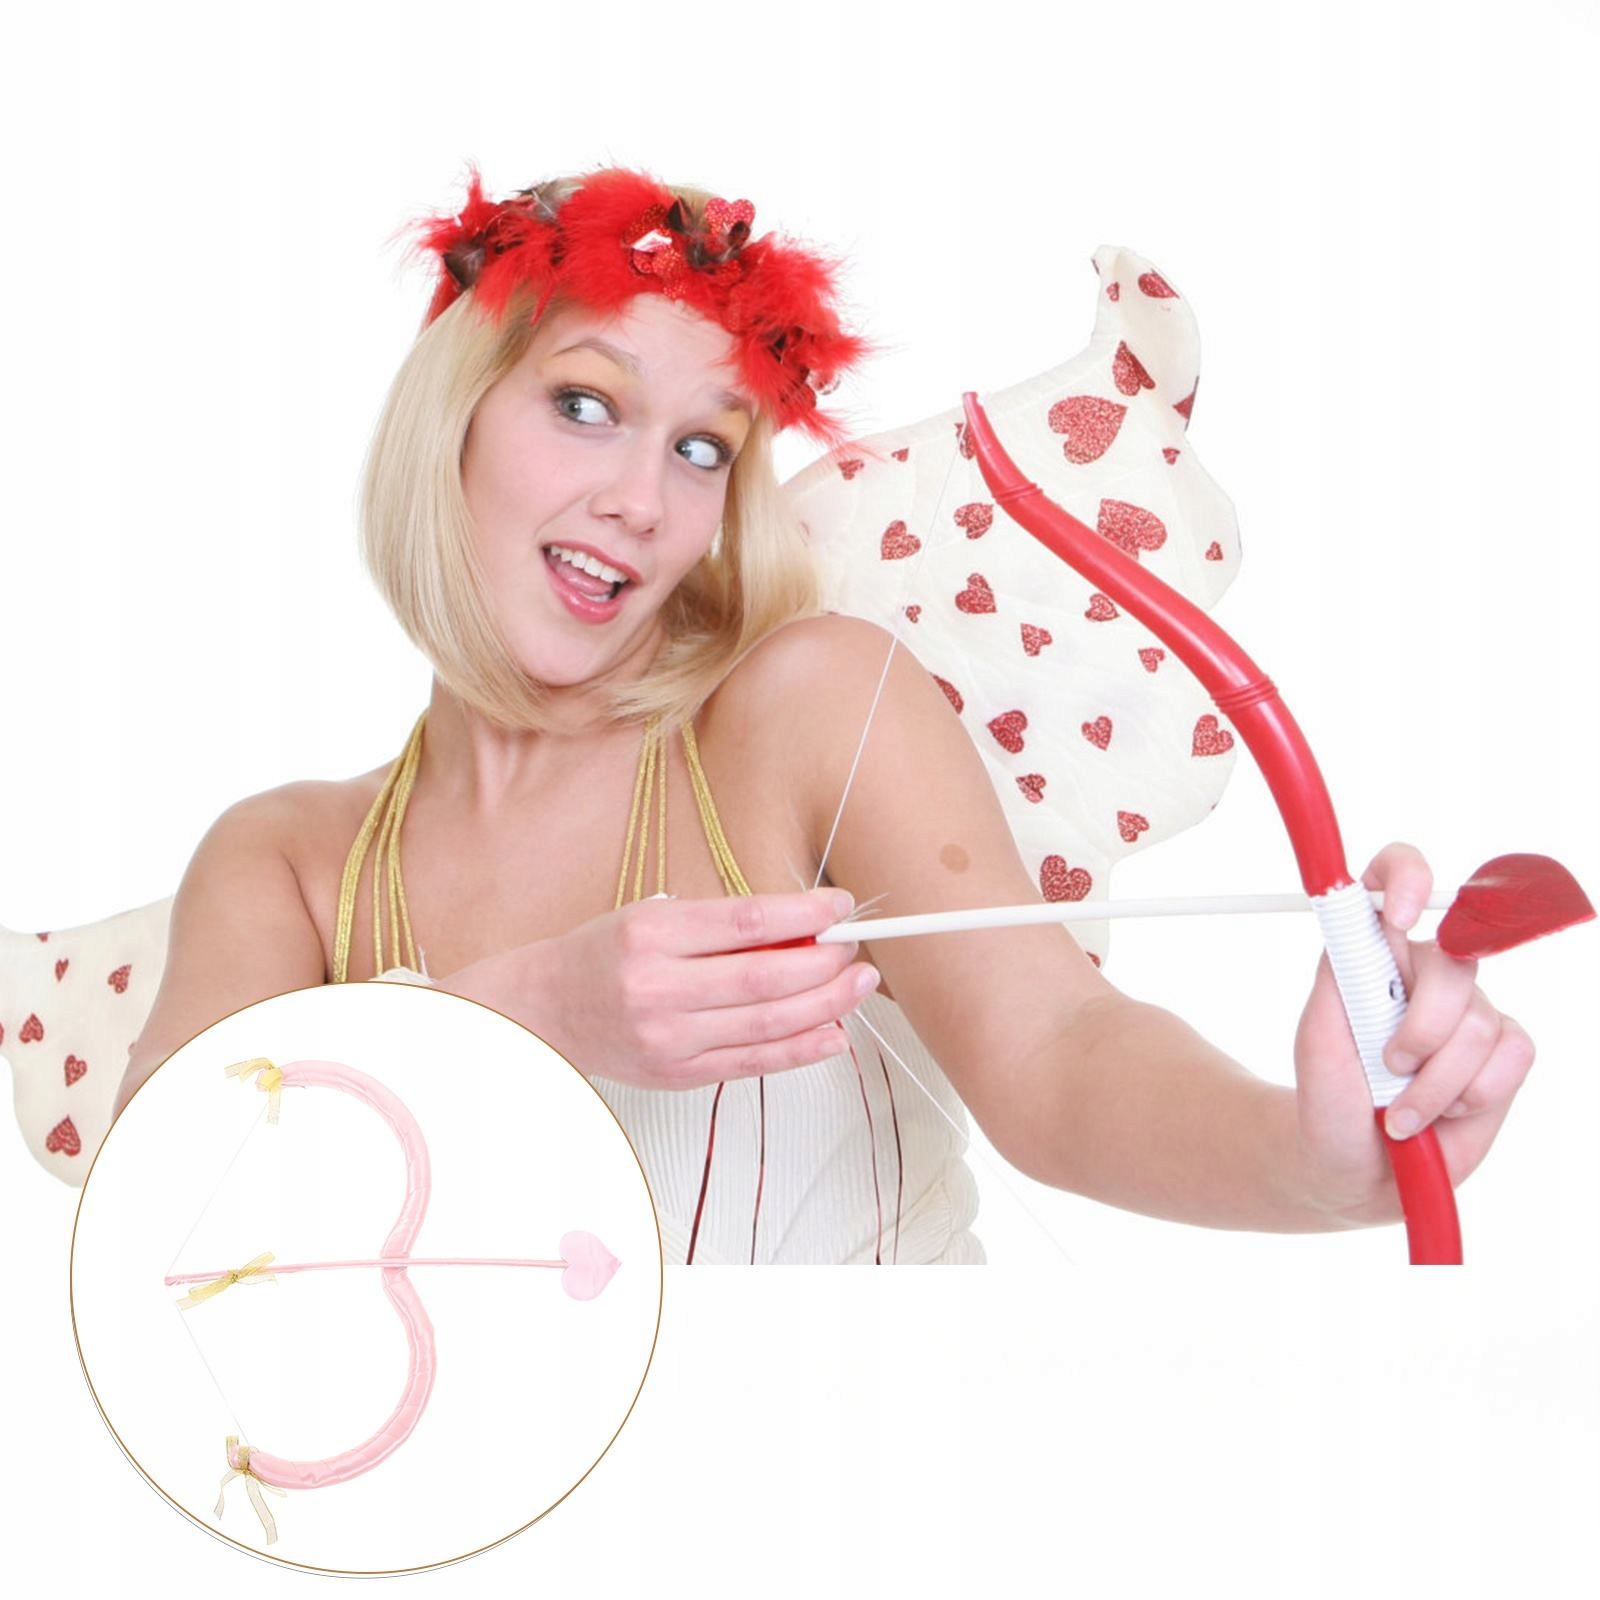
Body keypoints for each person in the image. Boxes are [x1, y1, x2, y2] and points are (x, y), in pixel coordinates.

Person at [112, 165, 1535, 1264]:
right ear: (453, 421)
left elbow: (1056, 1054)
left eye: (702, 448)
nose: (642, 499)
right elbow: (151, 1233)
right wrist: (531, 1010)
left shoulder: (807, 704)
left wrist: (1319, 1159)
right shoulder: (288, 861)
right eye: (586, 405)